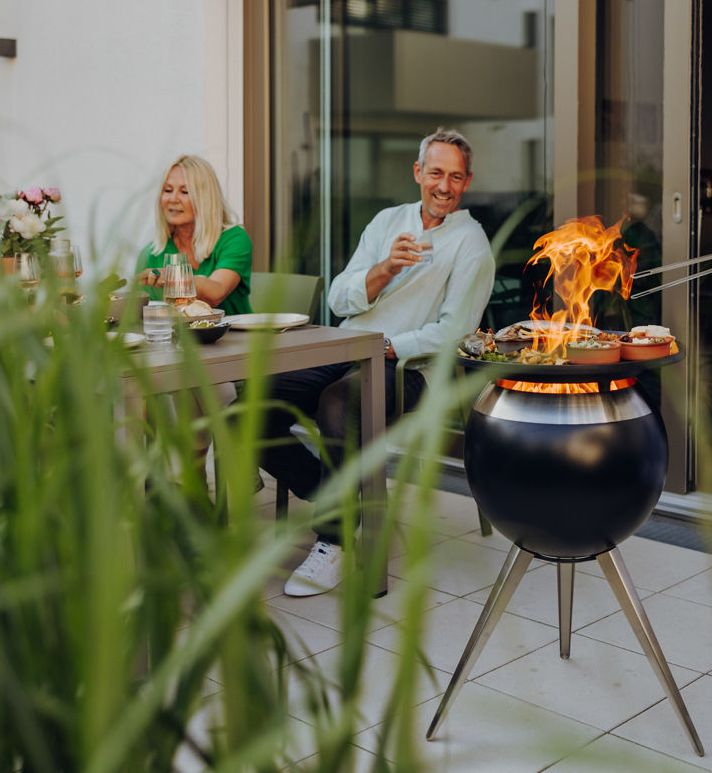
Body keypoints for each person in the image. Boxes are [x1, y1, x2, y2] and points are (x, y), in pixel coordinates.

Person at [260, 128, 495, 597]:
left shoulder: (471, 243)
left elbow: (456, 332)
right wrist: (385, 269)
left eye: (455, 177)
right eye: (435, 173)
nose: (444, 186)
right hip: (346, 348)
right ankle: (343, 504)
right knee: (253, 406)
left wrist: (388, 346)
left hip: (410, 368)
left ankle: (333, 541)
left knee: (338, 405)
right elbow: (340, 298)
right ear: (417, 173)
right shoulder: (387, 222)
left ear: (466, 182)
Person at [137, 155, 252, 316]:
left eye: (185, 192)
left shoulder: (234, 239)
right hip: (178, 340)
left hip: (238, 338)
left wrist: (173, 277)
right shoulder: (151, 254)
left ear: (206, 198)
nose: (173, 199)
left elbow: (216, 292)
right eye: (167, 190)